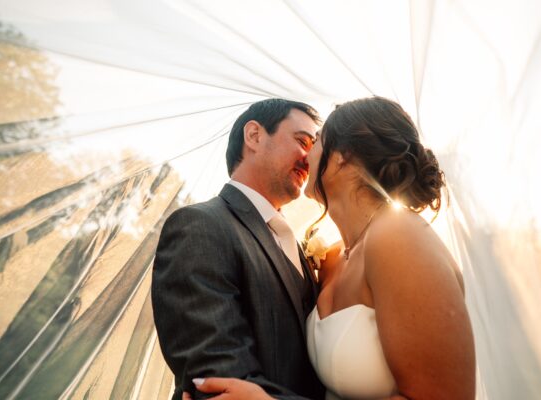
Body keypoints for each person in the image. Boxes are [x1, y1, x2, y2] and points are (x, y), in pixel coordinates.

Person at [190, 96, 476, 400]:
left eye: (316, 142)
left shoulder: (398, 236)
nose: (306, 155)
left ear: (344, 155)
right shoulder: (331, 259)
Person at [151, 98, 325, 400]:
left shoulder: (297, 245)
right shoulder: (199, 226)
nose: (310, 159)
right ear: (255, 136)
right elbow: (222, 382)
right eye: (303, 141)